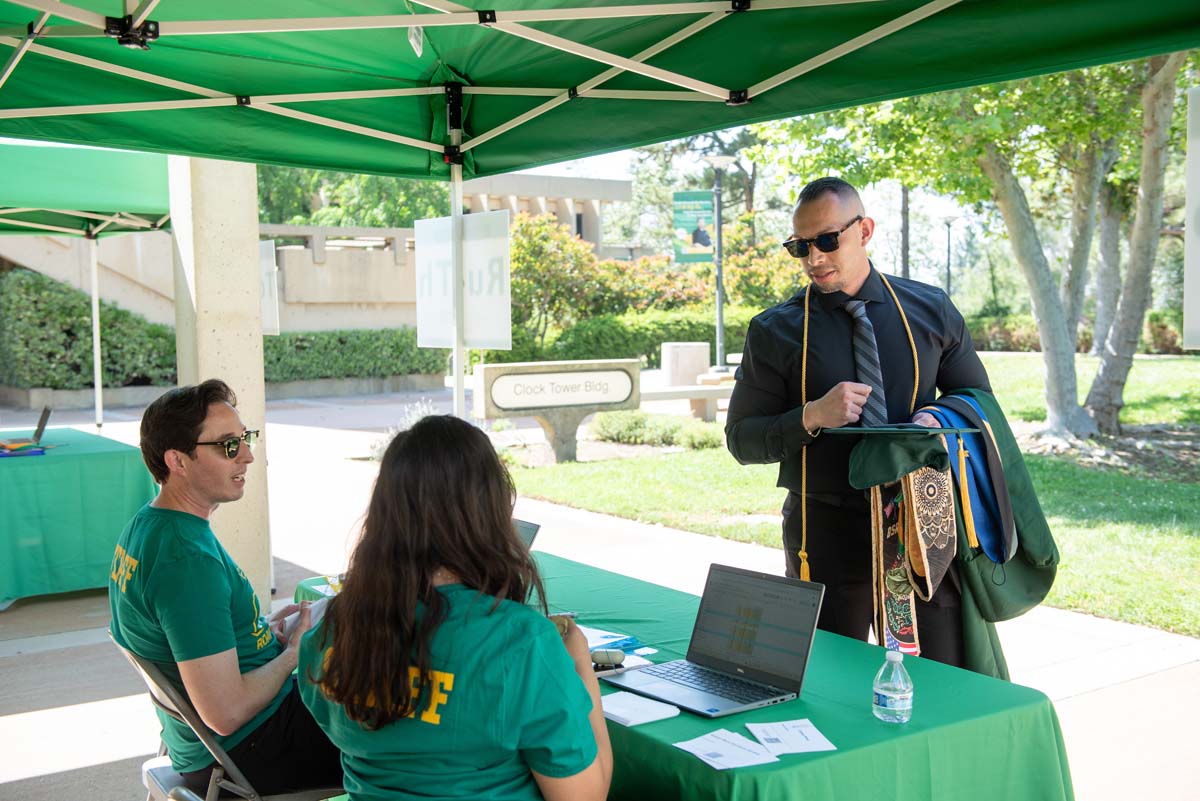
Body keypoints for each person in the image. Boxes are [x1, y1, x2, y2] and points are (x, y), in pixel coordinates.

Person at [725, 177, 992, 668]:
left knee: (941, 676)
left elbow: (977, 400)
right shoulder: (775, 330)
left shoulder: (930, 309)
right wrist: (811, 416)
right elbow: (742, 440)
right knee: (831, 681)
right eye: (799, 246)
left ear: (864, 230)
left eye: (827, 240)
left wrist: (937, 415)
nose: (814, 258)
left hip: (923, 526)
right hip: (825, 534)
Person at [298, 415, 612, 801]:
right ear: (489, 513)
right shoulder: (524, 642)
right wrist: (581, 666)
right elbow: (586, 797)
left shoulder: (332, 628)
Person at [109, 379, 341, 795]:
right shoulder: (186, 560)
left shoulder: (151, 524)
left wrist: (253, 632)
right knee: (409, 727)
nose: (248, 456)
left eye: (245, 439)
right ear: (178, 461)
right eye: (228, 445)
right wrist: (291, 655)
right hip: (253, 748)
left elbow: (191, 636)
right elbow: (226, 713)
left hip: (222, 743)